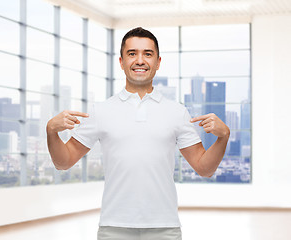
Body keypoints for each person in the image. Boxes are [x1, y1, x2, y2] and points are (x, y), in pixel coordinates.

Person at [46, 27, 230, 240]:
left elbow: (204, 168)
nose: (140, 60)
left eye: (147, 54)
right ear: (121, 62)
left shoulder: (177, 112)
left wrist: (223, 137)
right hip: (113, 227)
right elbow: (63, 162)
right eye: (132, 53)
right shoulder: (101, 111)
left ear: (158, 62)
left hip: (165, 228)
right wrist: (51, 131)